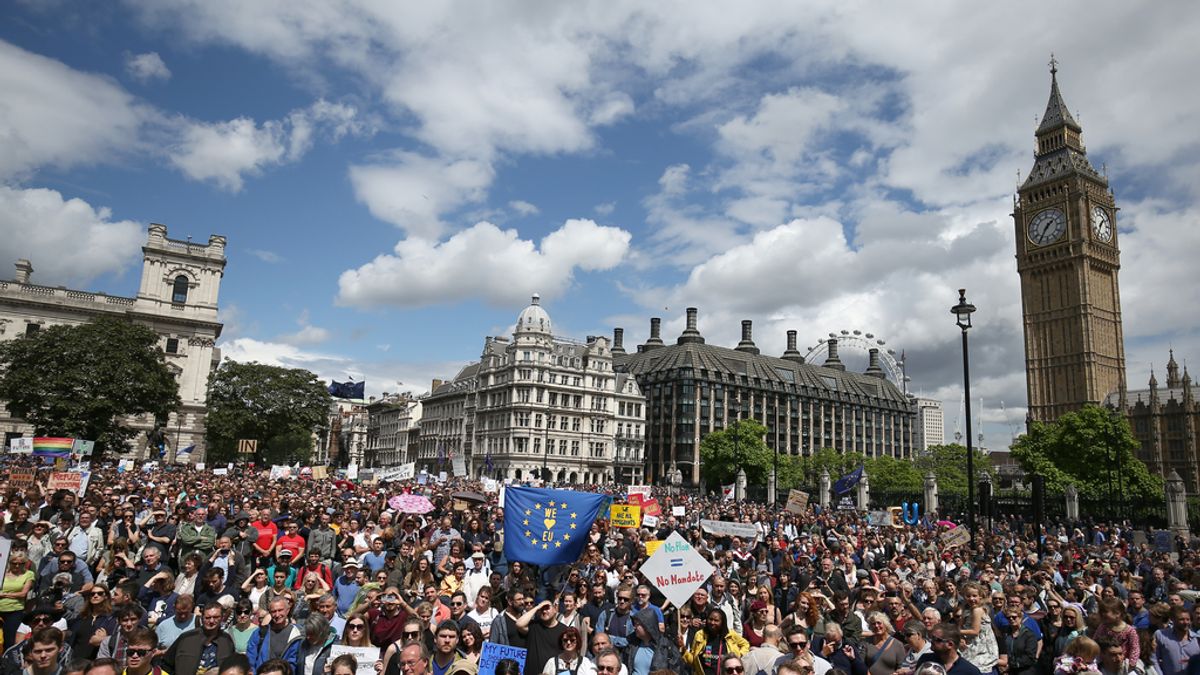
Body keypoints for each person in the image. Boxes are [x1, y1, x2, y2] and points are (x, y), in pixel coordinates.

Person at [164, 602, 235, 675]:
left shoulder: (226, 640)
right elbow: (166, 664)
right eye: (207, 617)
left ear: (222, 618)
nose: (211, 621)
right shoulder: (186, 638)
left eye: (216, 617)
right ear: (202, 617)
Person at [683, 608, 751, 675]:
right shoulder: (700, 635)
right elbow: (693, 661)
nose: (712, 622)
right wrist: (683, 649)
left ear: (722, 622)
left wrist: (737, 656)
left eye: (716, 620)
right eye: (710, 619)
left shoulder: (730, 634)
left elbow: (746, 644)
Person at [246, 598, 302, 673]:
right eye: (273, 611)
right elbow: (250, 660)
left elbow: (293, 663)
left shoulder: (296, 634)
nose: (277, 614)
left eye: (280, 610)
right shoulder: (260, 633)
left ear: (287, 610)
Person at [518, 600, 567, 675]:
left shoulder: (564, 630)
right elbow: (519, 624)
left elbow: (567, 655)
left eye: (547, 608)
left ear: (555, 610)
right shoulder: (533, 626)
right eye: (541, 609)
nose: (544, 611)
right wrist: (537, 607)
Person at [915, 624, 982, 675]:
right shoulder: (925, 660)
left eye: (936, 639)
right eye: (931, 637)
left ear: (950, 644)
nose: (931, 641)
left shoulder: (969, 671)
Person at [1, 551, 36, 649]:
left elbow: (23, 594)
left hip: (15, 610)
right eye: (14, 563)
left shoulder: (29, 574)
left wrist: (4, 594)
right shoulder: (2, 572)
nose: (17, 566)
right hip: (0, 608)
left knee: (10, 639)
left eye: (21, 563)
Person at [1151, 606, 1199, 675]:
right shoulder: (1161, 635)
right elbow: (1154, 659)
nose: (1185, 622)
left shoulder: (1197, 639)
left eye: (1188, 619)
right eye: (1181, 619)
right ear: (1173, 620)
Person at [997, 601, 1037, 675]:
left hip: (1024, 670)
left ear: (1020, 617)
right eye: (1008, 617)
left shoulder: (1029, 635)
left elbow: (1030, 657)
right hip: (1006, 670)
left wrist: (1011, 665)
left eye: (1014, 617)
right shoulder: (1004, 633)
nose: (1011, 619)